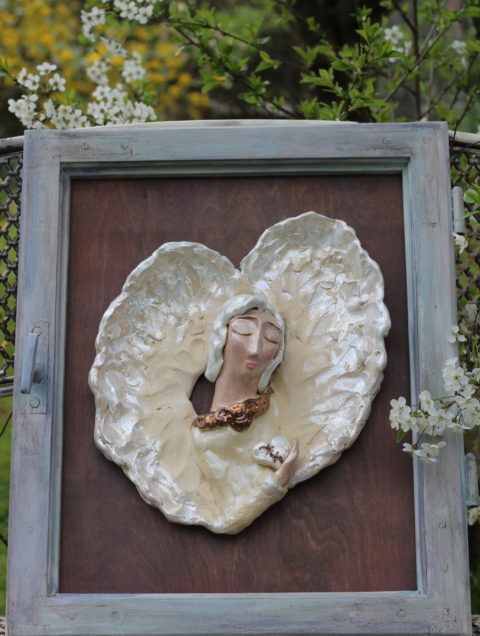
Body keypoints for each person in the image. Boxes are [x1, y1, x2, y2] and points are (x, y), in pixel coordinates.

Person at [192, 294, 298, 489]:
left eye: (271, 338)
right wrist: (277, 480)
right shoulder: (203, 438)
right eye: (243, 331)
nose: (255, 349)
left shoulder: (279, 413)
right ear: (221, 338)